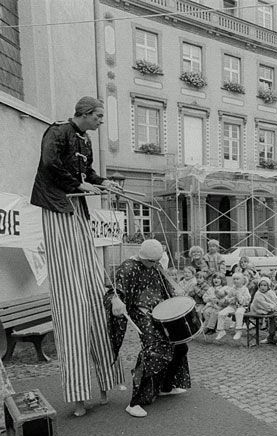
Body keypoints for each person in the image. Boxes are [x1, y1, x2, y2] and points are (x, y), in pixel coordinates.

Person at [30, 96, 125, 416]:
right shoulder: (57, 133)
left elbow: (90, 172)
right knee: (72, 306)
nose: (101, 121)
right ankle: (78, 396)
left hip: (77, 213)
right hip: (58, 209)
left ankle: (104, 384)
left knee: (93, 296)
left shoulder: (84, 139)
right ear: (84, 114)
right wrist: (81, 185)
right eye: (98, 116)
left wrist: (101, 182)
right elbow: (51, 165)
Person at [110, 240, 191, 418]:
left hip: (161, 312)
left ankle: (165, 386)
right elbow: (115, 290)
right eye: (151, 262)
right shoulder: (128, 267)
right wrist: (116, 299)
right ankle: (135, 402)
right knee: (154, 352)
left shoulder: (155, 265)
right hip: (142, 314)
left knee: (180, 346)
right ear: (142, 257)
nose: (155, 265)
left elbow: (165, 285)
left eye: (157, 261)